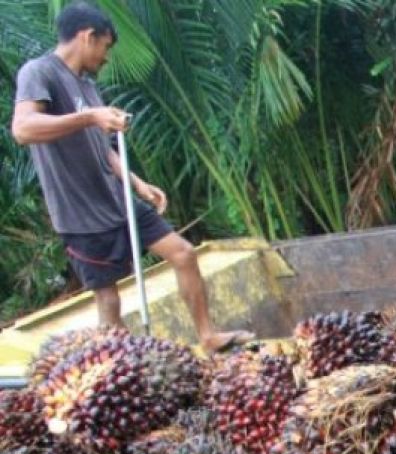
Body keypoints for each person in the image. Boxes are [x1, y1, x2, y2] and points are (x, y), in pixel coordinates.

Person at [9, 2, 254, 354]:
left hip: (118, 200)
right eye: (106, 47)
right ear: (87, 36)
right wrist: (91, 116)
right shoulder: (39, 72)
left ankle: (208, 336)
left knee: (183, 254)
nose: (107, 58)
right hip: (81, 213)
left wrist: (137, 183)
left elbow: (104, 150)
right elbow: (23, 129)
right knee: (109, 300)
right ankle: (127, 368)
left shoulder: (88, 87)